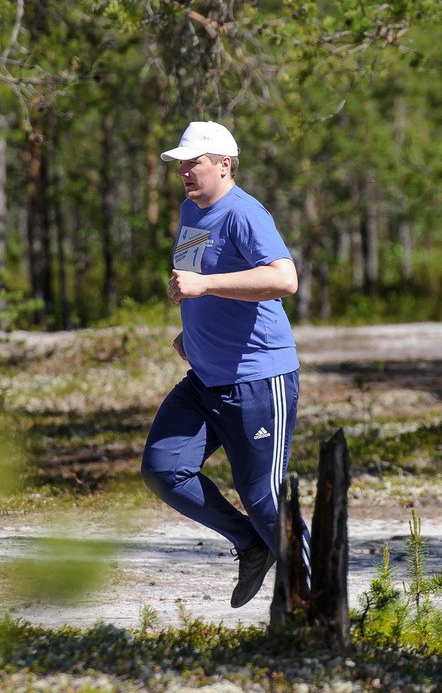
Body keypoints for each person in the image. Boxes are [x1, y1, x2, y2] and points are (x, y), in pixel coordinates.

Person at [141, 120, 309, 608]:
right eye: (180, 165)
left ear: (224, 164)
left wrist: (205, 289)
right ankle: (252, 543)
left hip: (258, 378)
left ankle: (315, 603)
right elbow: (193, 275)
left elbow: (284, 279)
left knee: (264, 498)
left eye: (193, 163)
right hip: (205, 378)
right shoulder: (192, 212)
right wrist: (190, 330)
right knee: (163, 468)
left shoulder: (245, 214)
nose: (184, 173)